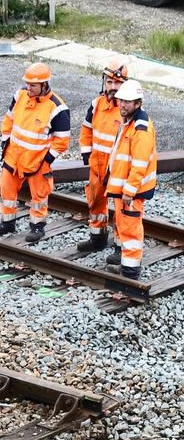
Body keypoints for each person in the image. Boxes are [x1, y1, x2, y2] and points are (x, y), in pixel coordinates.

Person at [0, 62, 71, 244]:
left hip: (38, 161)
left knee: (39, 197)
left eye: (33, 85)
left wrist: (47, 160)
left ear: (45, 85)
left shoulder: (57, 108)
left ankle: (37, 226)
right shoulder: (20, 96)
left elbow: (62, 140)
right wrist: (5, 141)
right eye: (27, 84)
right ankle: (7, 223)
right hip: (13, 156)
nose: (29, 88)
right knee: (6, 189)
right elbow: (8, 119)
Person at [104, 80, 156, 280]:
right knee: (124, 227)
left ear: (138, 103)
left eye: (128, 102)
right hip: (125, 188)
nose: (123, 105)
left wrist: (129, 191)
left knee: (131, 231)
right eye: (121, 101)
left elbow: (139, 164)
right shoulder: (130, 123)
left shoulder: (140, 129)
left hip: (131, 191)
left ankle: (130, 272)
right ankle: (127, 266)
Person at [76, 58, 129, 253]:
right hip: (97, 166)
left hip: (118, 170)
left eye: (117, 83)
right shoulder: (96, 104)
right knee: (96, 203)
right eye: (109, 82)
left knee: (122, 210)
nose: (113, 87)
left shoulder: (127, 109)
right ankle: (97, 239)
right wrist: (86, 153)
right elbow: (86, 129)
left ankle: (119, 247)